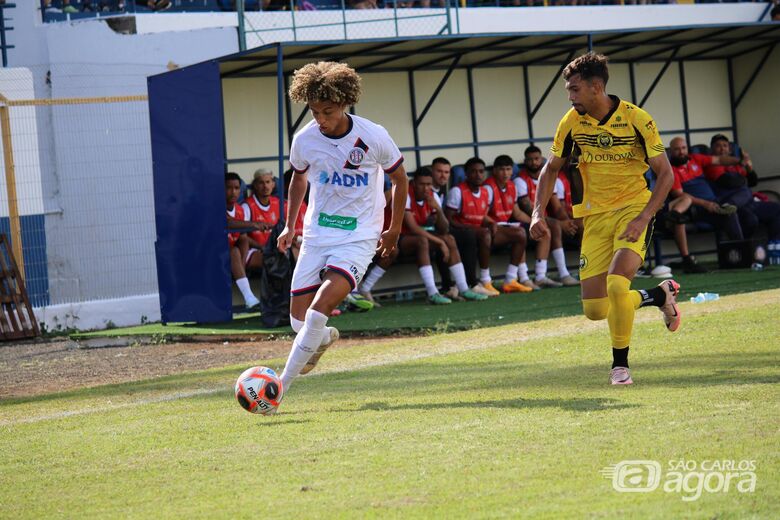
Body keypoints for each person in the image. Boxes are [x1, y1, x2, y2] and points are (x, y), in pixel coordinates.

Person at [530, 52, 681, 386]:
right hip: (596, 217)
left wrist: (644, 217)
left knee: (616, 285)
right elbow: (550, 169)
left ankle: (620, 366)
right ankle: (659, 296)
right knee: (595, 310)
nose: (570, 97)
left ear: (596, 87)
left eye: (574, 89)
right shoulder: (571, 121)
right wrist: (537, 212)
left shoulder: (637, 118)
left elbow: (666, 174)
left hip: (633, 210)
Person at [277, 61, 408, 394]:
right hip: (317, 234)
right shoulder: (304, 139)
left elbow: (400, 179)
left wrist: (393, 229)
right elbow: (298, 179)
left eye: (328, 111)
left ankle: (279, 388)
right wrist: (289, 226)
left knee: (318, 310)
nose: (321, 119)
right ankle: (322, 339)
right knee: (298, 322)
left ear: (345, 102)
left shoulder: (373, 136)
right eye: (314, 111)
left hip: (358, 236)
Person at [516, 145, 580, 288]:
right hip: (529, 220)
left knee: (579, 225)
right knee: (553, 227)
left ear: (542, 159)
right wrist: (560, 223)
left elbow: (557, 207)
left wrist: (567, 222)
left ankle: (583, 269)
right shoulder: (520, 180)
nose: (534, 162)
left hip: (545, 219)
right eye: (530, 159)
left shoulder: (547, 178)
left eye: (536, 159)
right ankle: (555, 275)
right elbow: (529, 209)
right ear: (525, 162)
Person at [444, 157, 507, 297]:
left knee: (519, 233)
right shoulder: (457, 191)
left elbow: (481, 215)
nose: (478, 175)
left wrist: (491, 222)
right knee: (482, 235)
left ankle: (515, 278)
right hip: (461, 232)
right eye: (473, 171)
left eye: (481, 171)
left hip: (478, 230)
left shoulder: (485, 191)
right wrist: (468, 228)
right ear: (466, 174)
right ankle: (482, 280)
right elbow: (448, 219)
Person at [705, 134, 780, 242]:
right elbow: (728, 182)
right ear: (712, 150)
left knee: (777, 209)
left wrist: (749, 169)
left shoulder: (735, 164)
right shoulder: (711, 164)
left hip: (749, 203)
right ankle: (742, 247)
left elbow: (753, 182)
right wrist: (743, 173)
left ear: (730, 149)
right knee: (751, 219)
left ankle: (775, 244)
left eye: (725, 145)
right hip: (732, 206)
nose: (722, 149)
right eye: (718, 146)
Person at [482, 155, 534, 293]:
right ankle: (511, 279)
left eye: (508, 169)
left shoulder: (512, 186)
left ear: (512, 171)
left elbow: (517, 213)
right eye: (501, 169)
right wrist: (492, 223)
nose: (505, 173)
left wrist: (535, 222)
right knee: (520, 234)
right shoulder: (488, 188)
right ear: (494, 171)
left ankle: (526, 277)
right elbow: (482, 215)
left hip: (505, 226)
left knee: (536, 230)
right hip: (490, 228)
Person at [225, 173, 264, 310]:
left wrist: (263, 247)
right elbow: (228, 222)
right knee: (234, 250)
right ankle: (249, 297)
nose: (233, 192)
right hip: (214, 256)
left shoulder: (240, 210)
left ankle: (278, 300)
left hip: (235, 258)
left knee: (243, 243)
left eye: (236, 188)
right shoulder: (216, 207)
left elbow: (243, 238)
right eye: (229, 188)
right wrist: (253, 224)